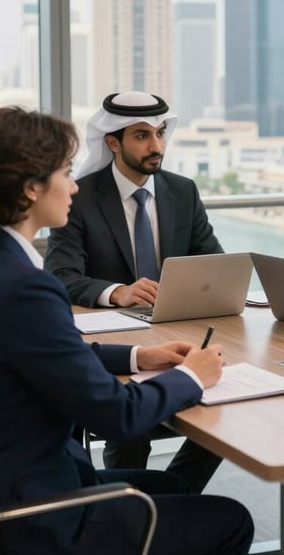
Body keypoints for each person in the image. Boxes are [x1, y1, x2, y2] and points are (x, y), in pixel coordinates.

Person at [0, 107, 253, 555]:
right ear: (29, 188)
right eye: (64, 172)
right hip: (40, 517)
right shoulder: (24, 286)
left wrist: (141, 358)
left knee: (174, 485)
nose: (75, 184)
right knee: (231, 519)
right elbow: (118, 416)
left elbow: (40, 353)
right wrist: (193, 376)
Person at [46, 91, 224, 487]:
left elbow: (213, 263)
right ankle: (131, 510)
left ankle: (170, 499)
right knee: (131, 431)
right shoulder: (80, 195)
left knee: (224, 408)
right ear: (113, 142)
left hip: (180, 332)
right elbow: (61, 275)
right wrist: (117, 291)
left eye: (160, 133)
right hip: (117, 340)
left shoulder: (183, 191)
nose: (156, 146)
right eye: (142, 136)